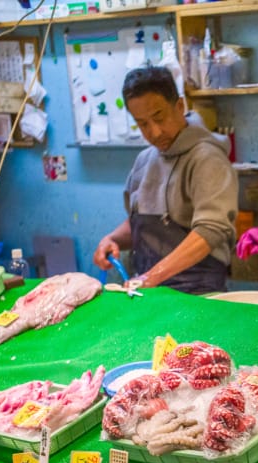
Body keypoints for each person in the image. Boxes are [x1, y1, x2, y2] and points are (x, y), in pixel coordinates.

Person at [93, 66, 238, 295]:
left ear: (179, 107)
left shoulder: (207, 159)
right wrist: (113, 240)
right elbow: (139, 226)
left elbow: (210, 231)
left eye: (159, 117)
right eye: (142, 124)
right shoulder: (143, 161)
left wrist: (151, 277)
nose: (155, 132)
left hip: (199, 297)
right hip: (150, 293)